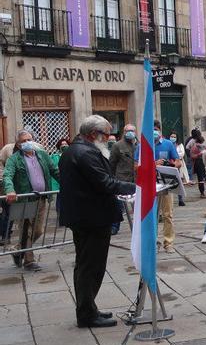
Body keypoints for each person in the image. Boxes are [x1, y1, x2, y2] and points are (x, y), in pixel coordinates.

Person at [59, 115, 136, 328]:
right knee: (90, 266)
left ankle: (89, 308)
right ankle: (86, 314)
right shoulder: (85, 153)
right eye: (106, 134)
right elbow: (105, 183)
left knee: (87, 265)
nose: (108, 138)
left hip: (86, 216)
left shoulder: (78, 149)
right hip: (90, 218)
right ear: (94, 134)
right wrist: (136, 188)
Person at [3, 130, 60, 270]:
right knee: (25, 231)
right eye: (23, 141)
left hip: (41, 199)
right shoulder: (14, 159)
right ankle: (29, 261)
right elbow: (7, 175)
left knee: (38, 231)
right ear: (18, 144)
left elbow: (55, 171)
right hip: (24, 200)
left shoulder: (43, 155)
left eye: (29, 139)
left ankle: (17, 251)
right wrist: (10, 190)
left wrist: (67, 183)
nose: (27, 143)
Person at [153, 123, 180, 252]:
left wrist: (173, 164)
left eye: (156, 130)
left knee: (168, 214)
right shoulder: (143, 145)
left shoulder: (168, 144)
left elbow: (178, 162)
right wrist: (153, 164)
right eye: (152, 130)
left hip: (166, 184)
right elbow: (136, 166)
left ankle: (168, 242)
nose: (154, 132)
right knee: (152, 215)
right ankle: (153, 241)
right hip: (150, 185)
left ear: (160, 131)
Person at [109, 124, 137, 235]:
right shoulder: (117, 145)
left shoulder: (139, 145)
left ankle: (138, 226)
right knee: (118, 205)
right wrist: (112, 178)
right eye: (128, 131)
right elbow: (112, 163)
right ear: (124, 132)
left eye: (132, 131)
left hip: (135, 180)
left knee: (136, 205)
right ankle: (115, 226)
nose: (130, 132)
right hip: (121, 179)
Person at [170, 132, 190, 198]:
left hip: (178, 164)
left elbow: (182, 154)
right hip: (170, 164)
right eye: (172, 136)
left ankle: (180, 198)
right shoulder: (168, 144)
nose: (173, 138)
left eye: (174, 137)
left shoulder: (180, 145)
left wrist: (174, 156)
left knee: (180, 180)